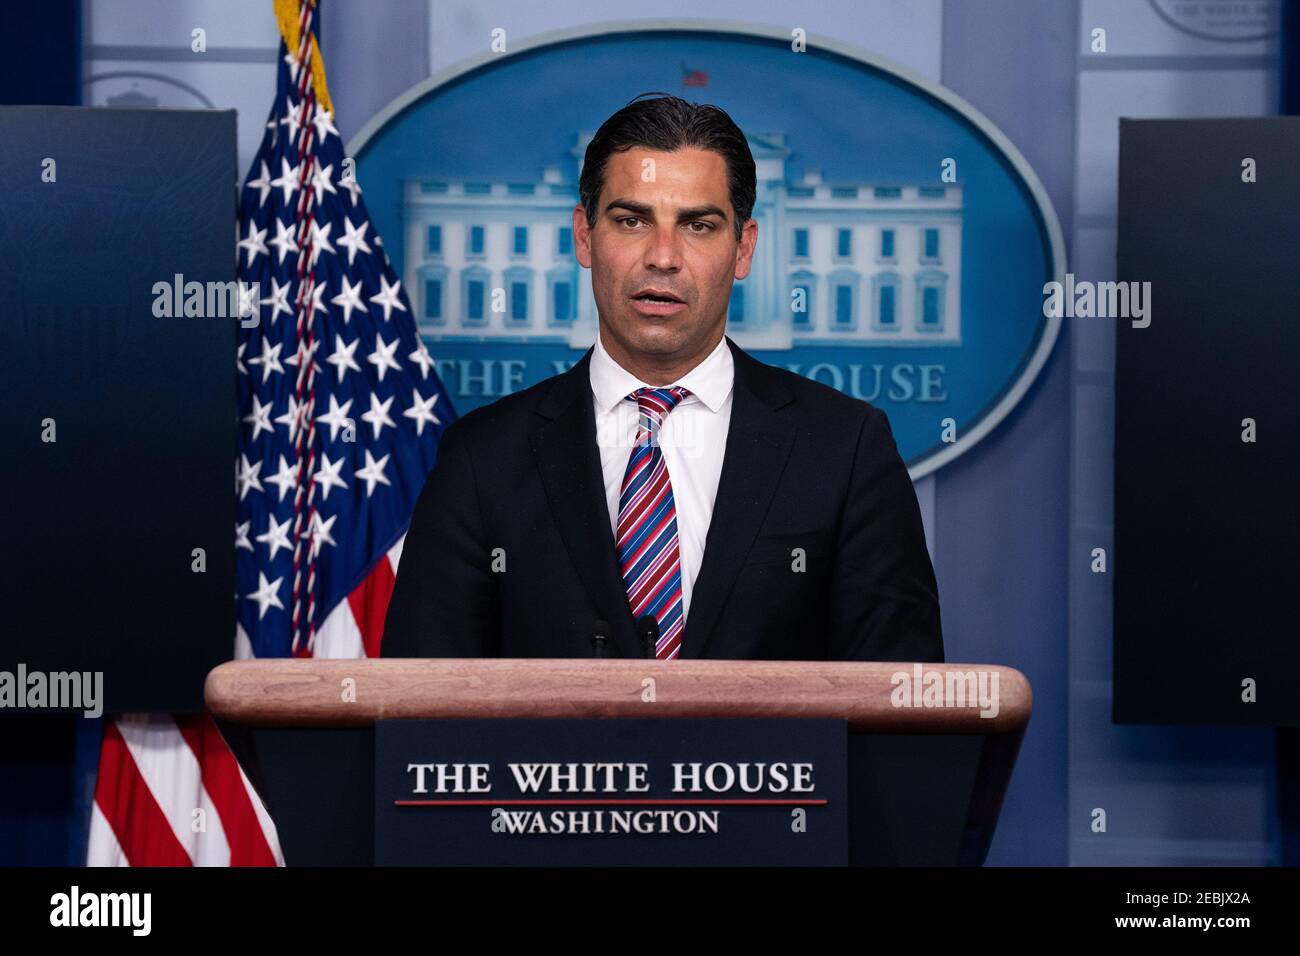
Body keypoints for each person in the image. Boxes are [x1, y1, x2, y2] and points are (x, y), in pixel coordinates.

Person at [382, 93, 943, 662]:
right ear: (584, 235)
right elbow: (419, 710)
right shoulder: (481, 458)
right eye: (631, 220)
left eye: (698, 225)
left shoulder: (846, 450)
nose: (663, 257)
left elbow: (903, 710)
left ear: (743, 248)